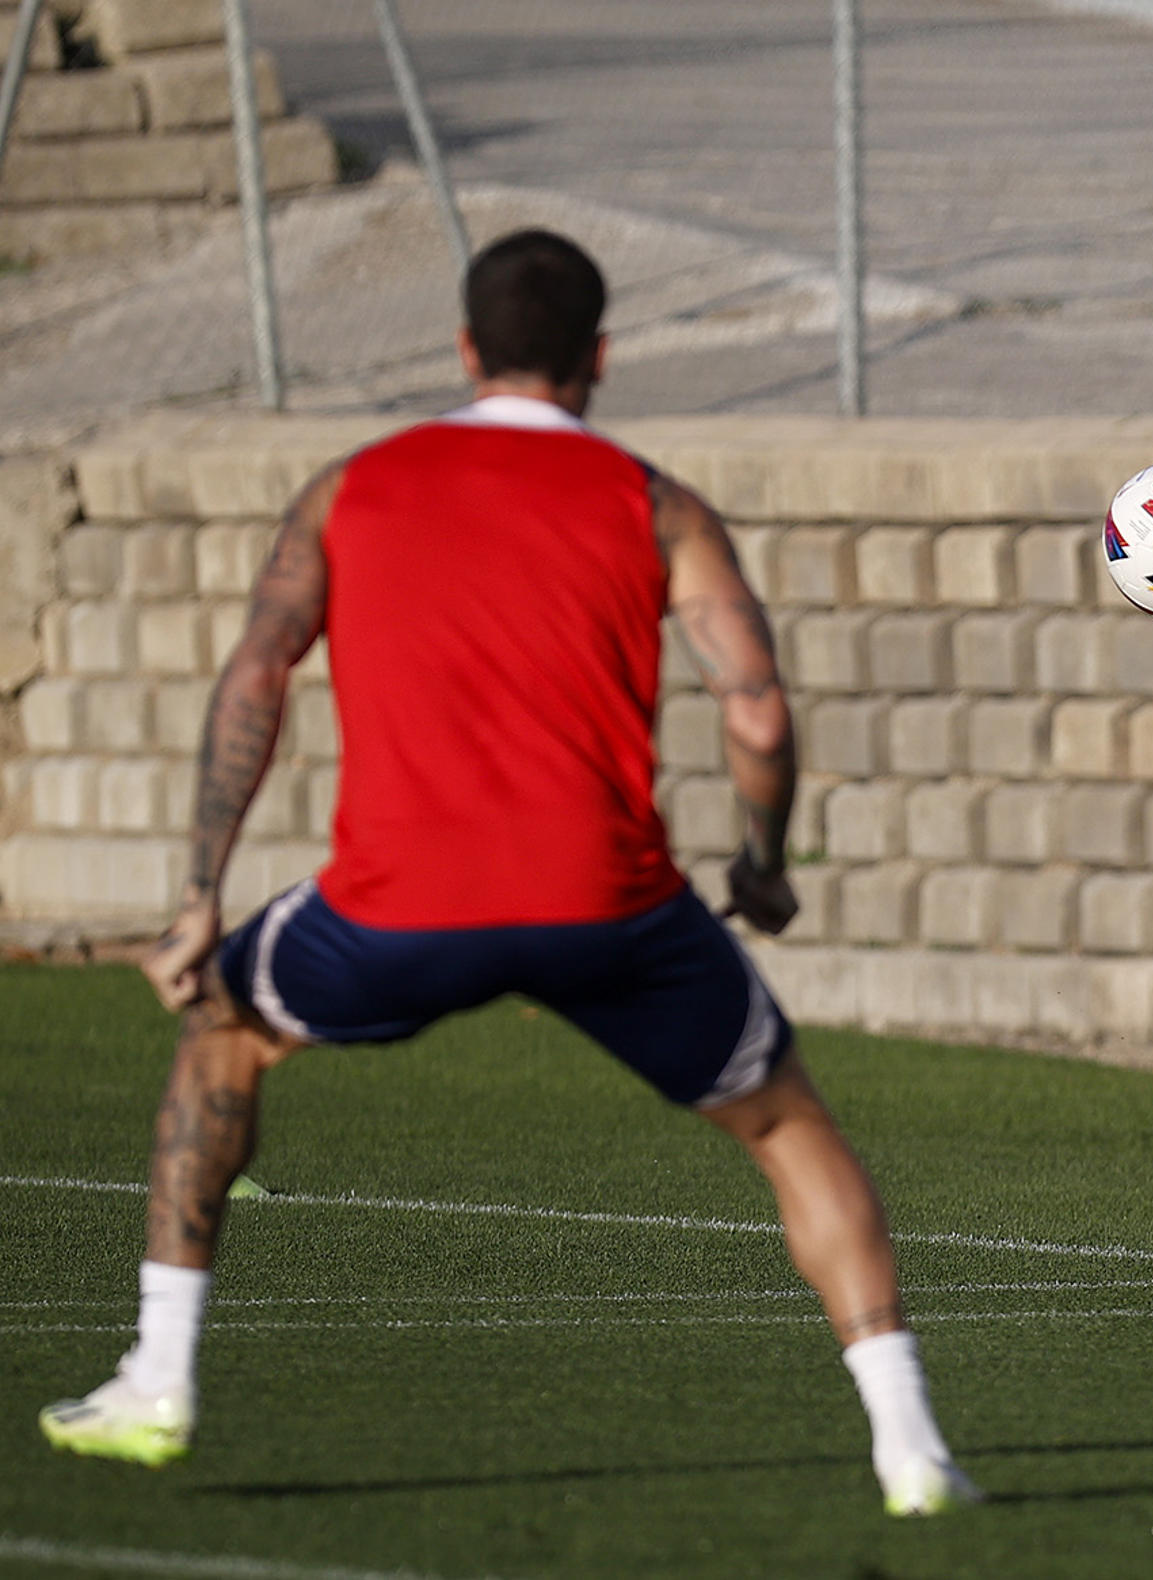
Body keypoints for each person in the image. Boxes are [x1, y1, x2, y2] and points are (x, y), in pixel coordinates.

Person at [39, 228, 977, 1516]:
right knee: (781, 1120)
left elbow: (255, 673)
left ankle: (157, 1377)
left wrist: (203, 891)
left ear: (467, 349)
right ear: (600, 357)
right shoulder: (657, 504)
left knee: (223, 1034)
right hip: (615, 908)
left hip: (389, 906)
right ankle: (911, 1447)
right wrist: (760, 867)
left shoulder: (349, 484)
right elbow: (755, 712)